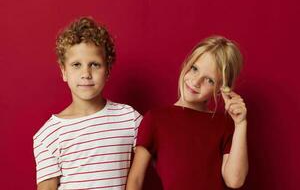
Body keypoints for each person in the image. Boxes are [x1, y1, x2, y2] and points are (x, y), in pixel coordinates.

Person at [33, 17, 142, 190]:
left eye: (95, 65)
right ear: (64, 72)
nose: (86, 73)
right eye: (76, 64)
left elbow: (164, 152)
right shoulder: (49, 135)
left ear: (107, 71)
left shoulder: (129, 118)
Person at [126, 36, 248, 190]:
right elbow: (135, 180)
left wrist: (241, 124)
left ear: (220, 89)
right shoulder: (155, 119)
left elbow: (235, 181)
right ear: (187, 64)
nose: (196, 82)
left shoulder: (224, 124)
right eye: (194, 69)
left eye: (209, 80)